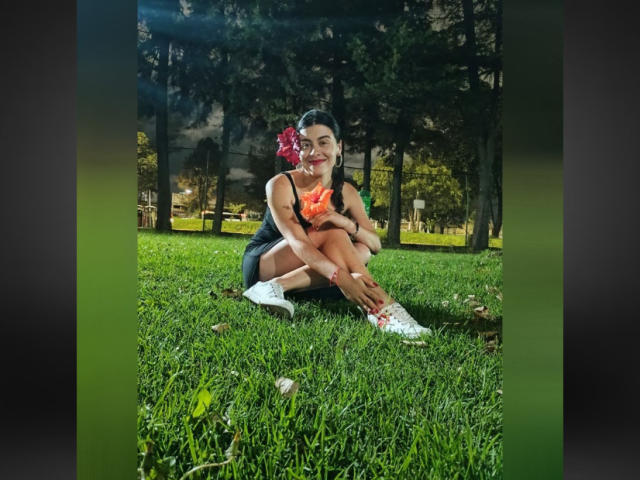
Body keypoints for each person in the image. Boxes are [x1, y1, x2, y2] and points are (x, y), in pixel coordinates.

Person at [241, 109, 431, 338]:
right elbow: (299, 243)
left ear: (338, 147)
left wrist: (344, 222)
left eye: (323, 142)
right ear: (298, 149)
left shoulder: (347, 192)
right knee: (332, 233)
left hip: (309, 278)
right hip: (266, 264)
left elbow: (375, 245)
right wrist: (343, 278)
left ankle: (280, 285)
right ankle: (382, 308)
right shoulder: (280, 184)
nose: (314, 152)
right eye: (306, 145)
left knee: (361, 250)